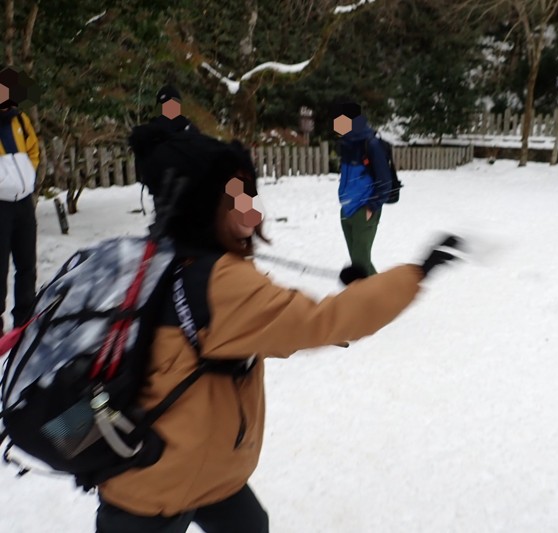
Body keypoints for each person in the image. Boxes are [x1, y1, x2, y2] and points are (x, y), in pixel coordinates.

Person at [97, 130, 461, 532]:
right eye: (236, 197)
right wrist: (415, 273)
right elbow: (323, 321)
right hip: (156, 484)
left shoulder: (156, 258)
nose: (252, 208)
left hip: (187, 464)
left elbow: (269, 320)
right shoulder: (218, 282)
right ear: (201, 204)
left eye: (250, 193)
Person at [0, 71, 39, 334]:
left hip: (24, 203)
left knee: (27, 263)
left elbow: (34, 150)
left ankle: (24, 319)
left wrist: (29, 175)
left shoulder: (21, 120)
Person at [334, 102, 392, 277]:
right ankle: (372, 295)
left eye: (338, 119)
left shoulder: (371, 143)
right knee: (358, 261)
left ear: (350, 120)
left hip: (364, 210)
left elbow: (385, 181)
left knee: (360, 262)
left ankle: (378, 299)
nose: (335, 124)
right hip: (346, 209)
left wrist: (372, 207)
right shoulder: (346, 144)